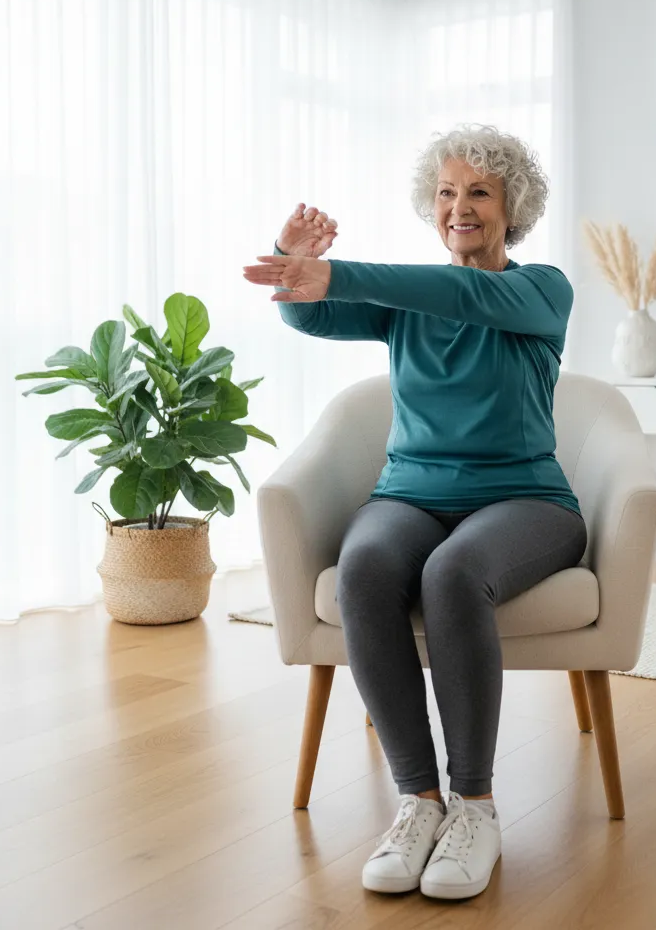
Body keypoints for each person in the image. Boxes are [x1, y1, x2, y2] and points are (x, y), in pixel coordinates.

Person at [242, 124, 587, 901]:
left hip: (526, 499)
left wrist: (336, 271)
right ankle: (419, 802)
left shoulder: (540, 291)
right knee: (363, 568)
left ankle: (476, 805)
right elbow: (306, 314)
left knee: (455, 572)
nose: (458, 206)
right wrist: (292, 263)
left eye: (478, 192)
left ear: (513, 207)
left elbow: (458, 291)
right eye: (445, 192)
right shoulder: (407, 303)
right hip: (410, 493)